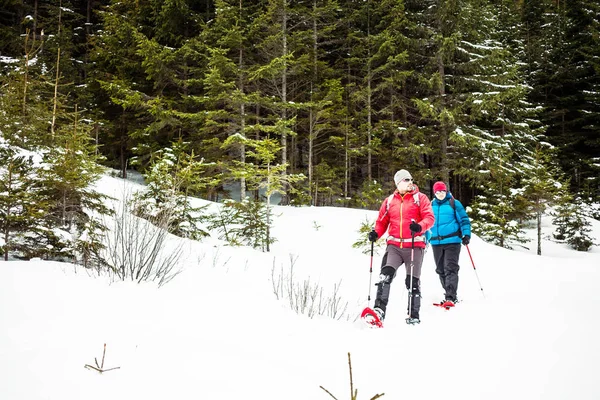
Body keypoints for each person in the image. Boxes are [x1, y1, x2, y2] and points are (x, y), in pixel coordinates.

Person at [368, 169, 434, 324]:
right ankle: (379, 310)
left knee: (412, 281)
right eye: (406, 180)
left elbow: (430, 218)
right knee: (386, 275)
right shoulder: (390, 201)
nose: (410, 182)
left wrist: (419, 226)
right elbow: (381, 222)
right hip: (394, 246)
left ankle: (414, 315)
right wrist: (376, 233)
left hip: (414, 245)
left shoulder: (420, 198)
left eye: (411, 179)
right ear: (398, 183)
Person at [429, 181, 471, 308]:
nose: (440, 194)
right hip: (436, 242)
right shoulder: (430, 205)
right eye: (438, 192)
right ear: (434, 193)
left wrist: (466, 234)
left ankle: (450, 297)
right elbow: (426, 222)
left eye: (442, 191)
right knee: (440, 269)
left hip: (453, 241)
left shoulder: (454, 203)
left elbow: (464, 220)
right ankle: (449, 292)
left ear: (446, 191)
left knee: (450, 268)